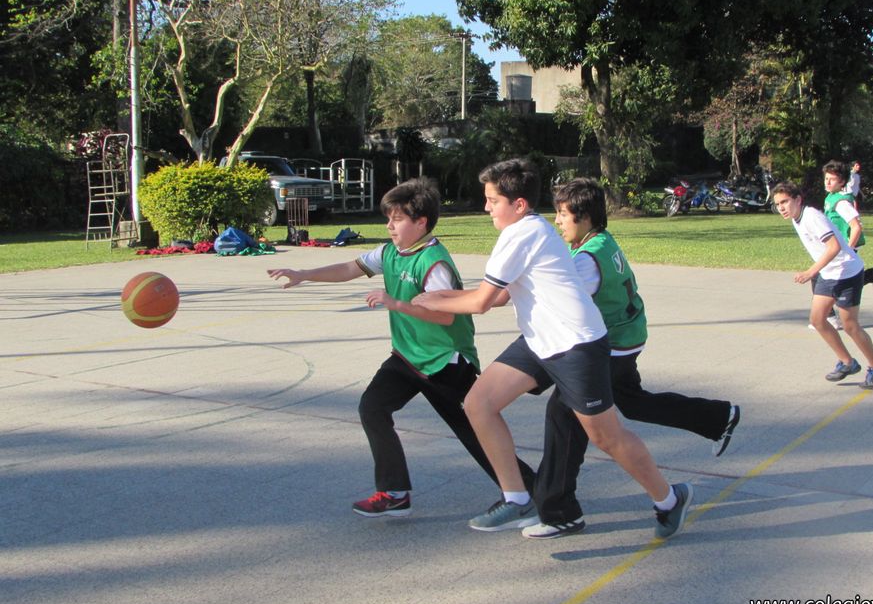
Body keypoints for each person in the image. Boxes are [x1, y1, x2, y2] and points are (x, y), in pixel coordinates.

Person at [412, 159, 692, 539]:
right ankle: (518, 498)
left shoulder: (522, 234)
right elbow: (499, 295)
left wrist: (432, 301)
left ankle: (670, 500)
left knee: (606, 437)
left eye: (493, 200)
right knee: (479, 403)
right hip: (540, 340)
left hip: (576, 346)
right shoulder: (530, 230)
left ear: (519, 204)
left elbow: (482, 303)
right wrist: (442, 296)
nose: (486, 207)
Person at [267, 177, 535, 518]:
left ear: (421, 222)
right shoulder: (389, 252)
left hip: (445, 362)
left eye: (397, 219)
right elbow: (349, 268)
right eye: (388, 218)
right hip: (407, 357)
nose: (389, 226)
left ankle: (530, 488)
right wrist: (304, 274)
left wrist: (396, 304)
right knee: (372, 407)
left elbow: (445, 317)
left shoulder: (434, 262)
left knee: (474, 430)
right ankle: (394, 493)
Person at [524, 178, 740, 539]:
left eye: (562, 213)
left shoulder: (586, 261)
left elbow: (560, 302)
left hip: (611, 345)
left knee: (564, 414)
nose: (557, 220)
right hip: (627, 336)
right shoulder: (601, 242)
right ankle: (719, 417)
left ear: (585, 216)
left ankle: (558, 510)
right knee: (633, 402)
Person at [771, 181, 873, 390]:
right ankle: (847, 362)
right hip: (829, 274)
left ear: (798, 200)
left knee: (850, 325)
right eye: (778, 204)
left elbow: (834, 246)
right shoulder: (796, 218)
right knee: (818, 320)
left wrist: (811, 272)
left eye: (785, 202)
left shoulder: (811, 217)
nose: (781, 207)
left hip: (847, 273)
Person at [821, 161, 873, 293]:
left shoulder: (841, 202)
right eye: (826, 178)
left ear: (842, 182)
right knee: (837, 281)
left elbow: (856, 227)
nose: (827, 182)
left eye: (832, 179)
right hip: (837, 245)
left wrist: (849, 249)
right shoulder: (831, 197)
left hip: (845, 245)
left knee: (839, 283)